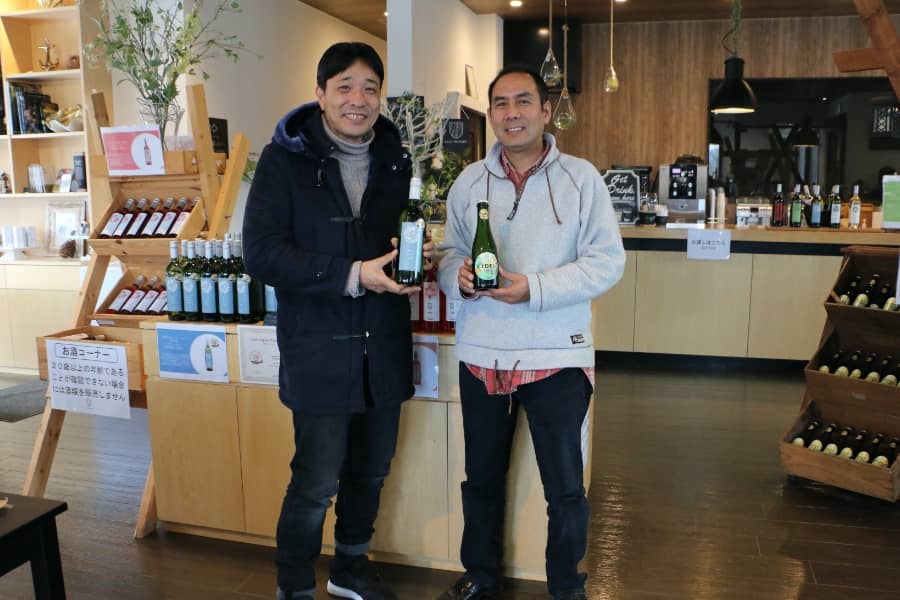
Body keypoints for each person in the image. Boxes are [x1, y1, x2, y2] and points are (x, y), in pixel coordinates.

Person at [242, 42, 430, 600]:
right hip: (318, 350)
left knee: (371, 471)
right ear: (320, 94)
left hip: (383, 345)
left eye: (370, 88)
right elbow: (261, 254)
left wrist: (414, 260)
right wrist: (353, 274)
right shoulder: (284, 160)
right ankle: (295, 585)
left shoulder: (396, 160)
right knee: (315, 483)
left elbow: (394, 244)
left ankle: (349, 569)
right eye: (344, 86)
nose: (358, 99)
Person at [436, 66, 626, 600]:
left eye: (523, 101)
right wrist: (457, 278)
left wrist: (533, 288)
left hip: (556, 356)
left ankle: (566, 585)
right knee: (480, 479)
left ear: (545, 112)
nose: (511, 113)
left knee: (564, 487)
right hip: (482, 353)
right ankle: (482, 576)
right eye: (500, 103)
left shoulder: (581, 179)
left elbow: (607, 263)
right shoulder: (468, 182)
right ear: (490, 113)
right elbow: (449, 254)